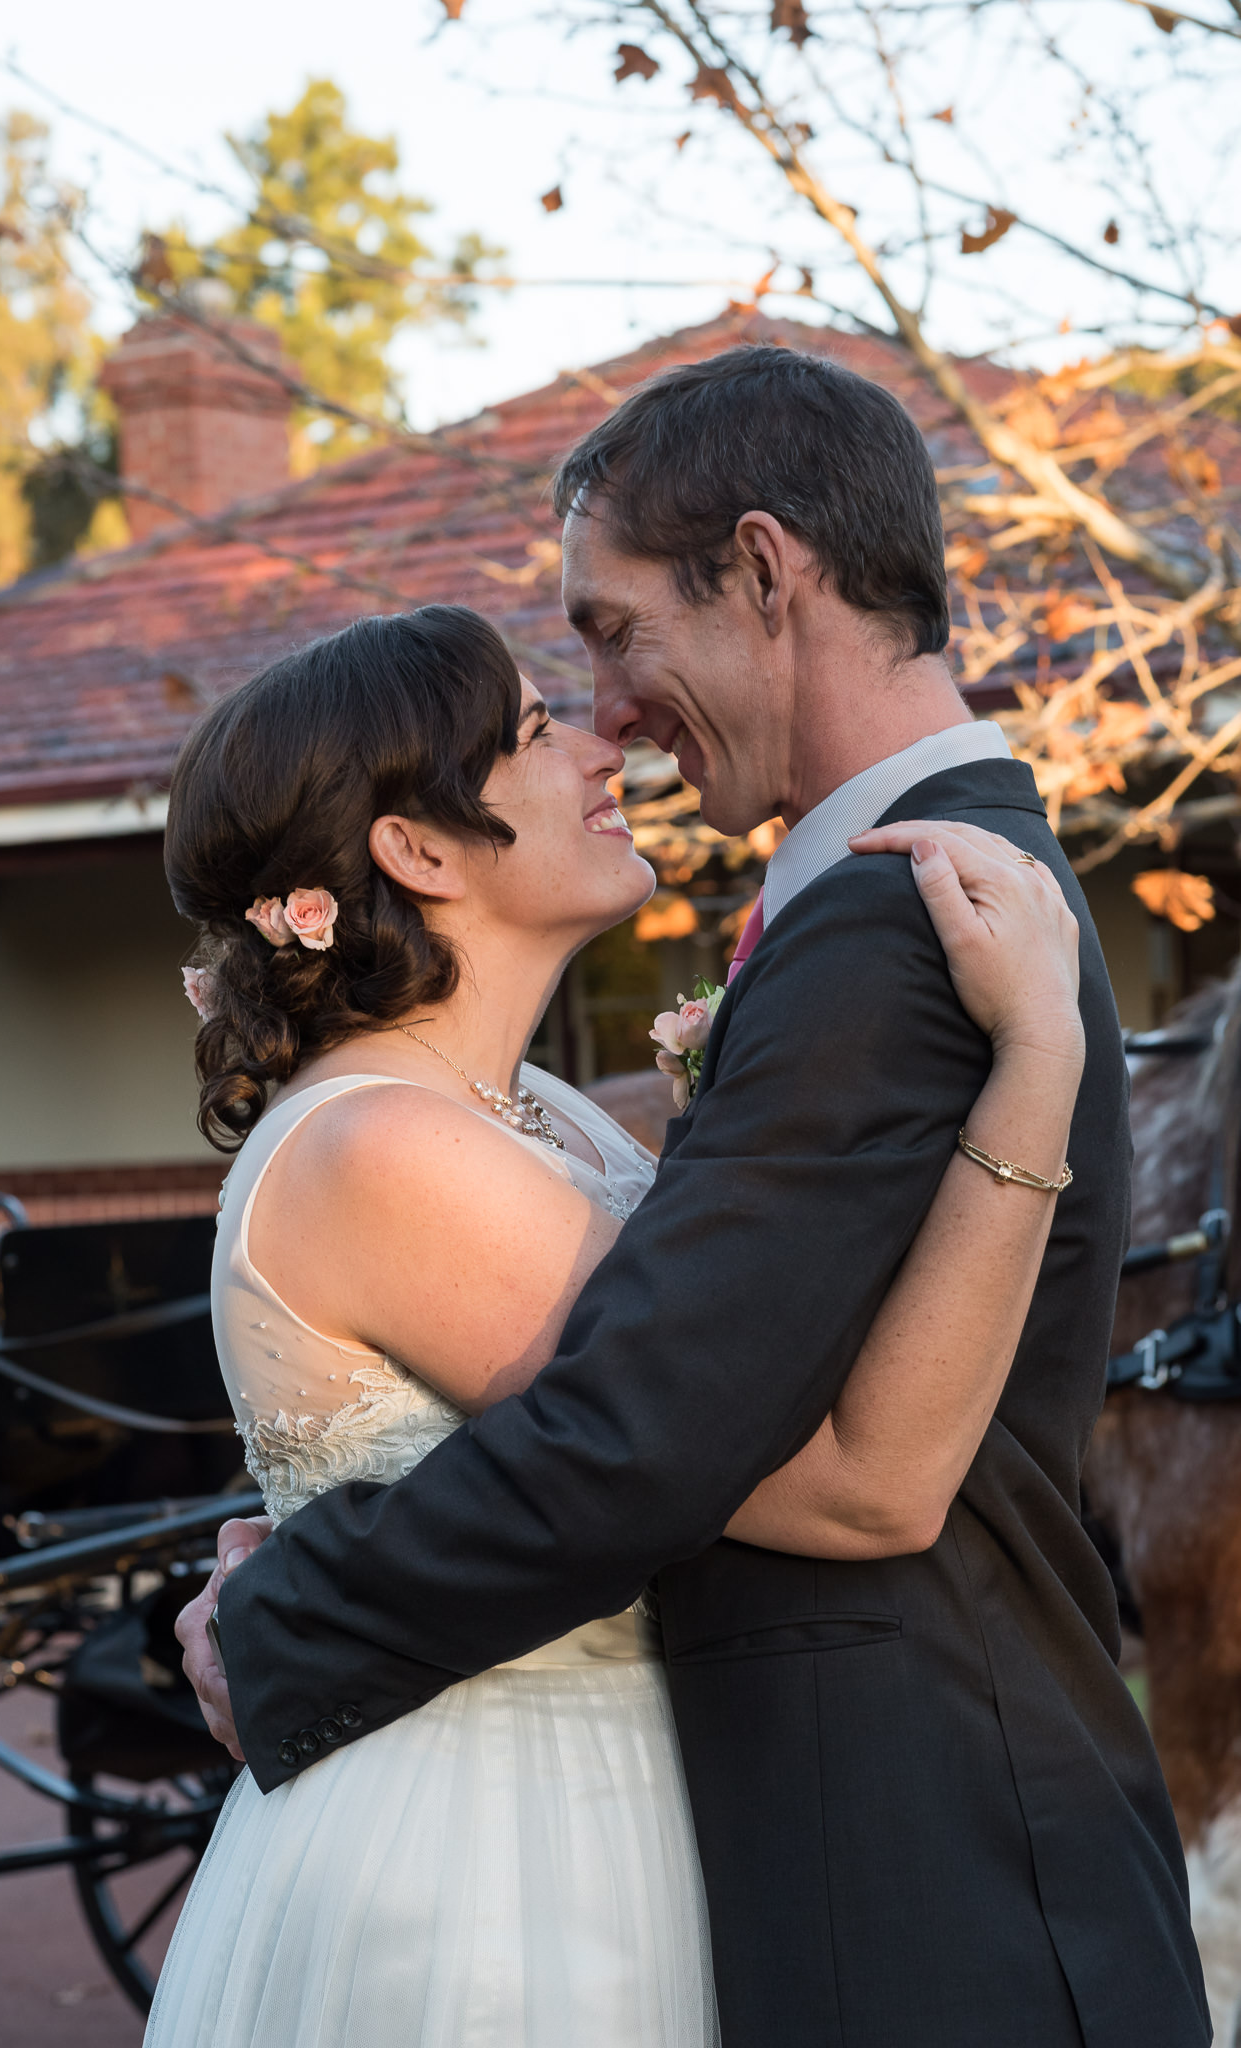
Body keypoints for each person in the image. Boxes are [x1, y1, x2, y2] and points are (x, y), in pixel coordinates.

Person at [175, 350, 1208, 2048]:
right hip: (535, 1866)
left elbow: (670, 1434)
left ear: (764, 570)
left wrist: (283, 1613)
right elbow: (665, 1405)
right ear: (417, 855)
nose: (610, 718)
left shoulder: (897, 925)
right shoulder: (885, 911)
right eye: (546, 707)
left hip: (922, 1832)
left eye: (606, 631)